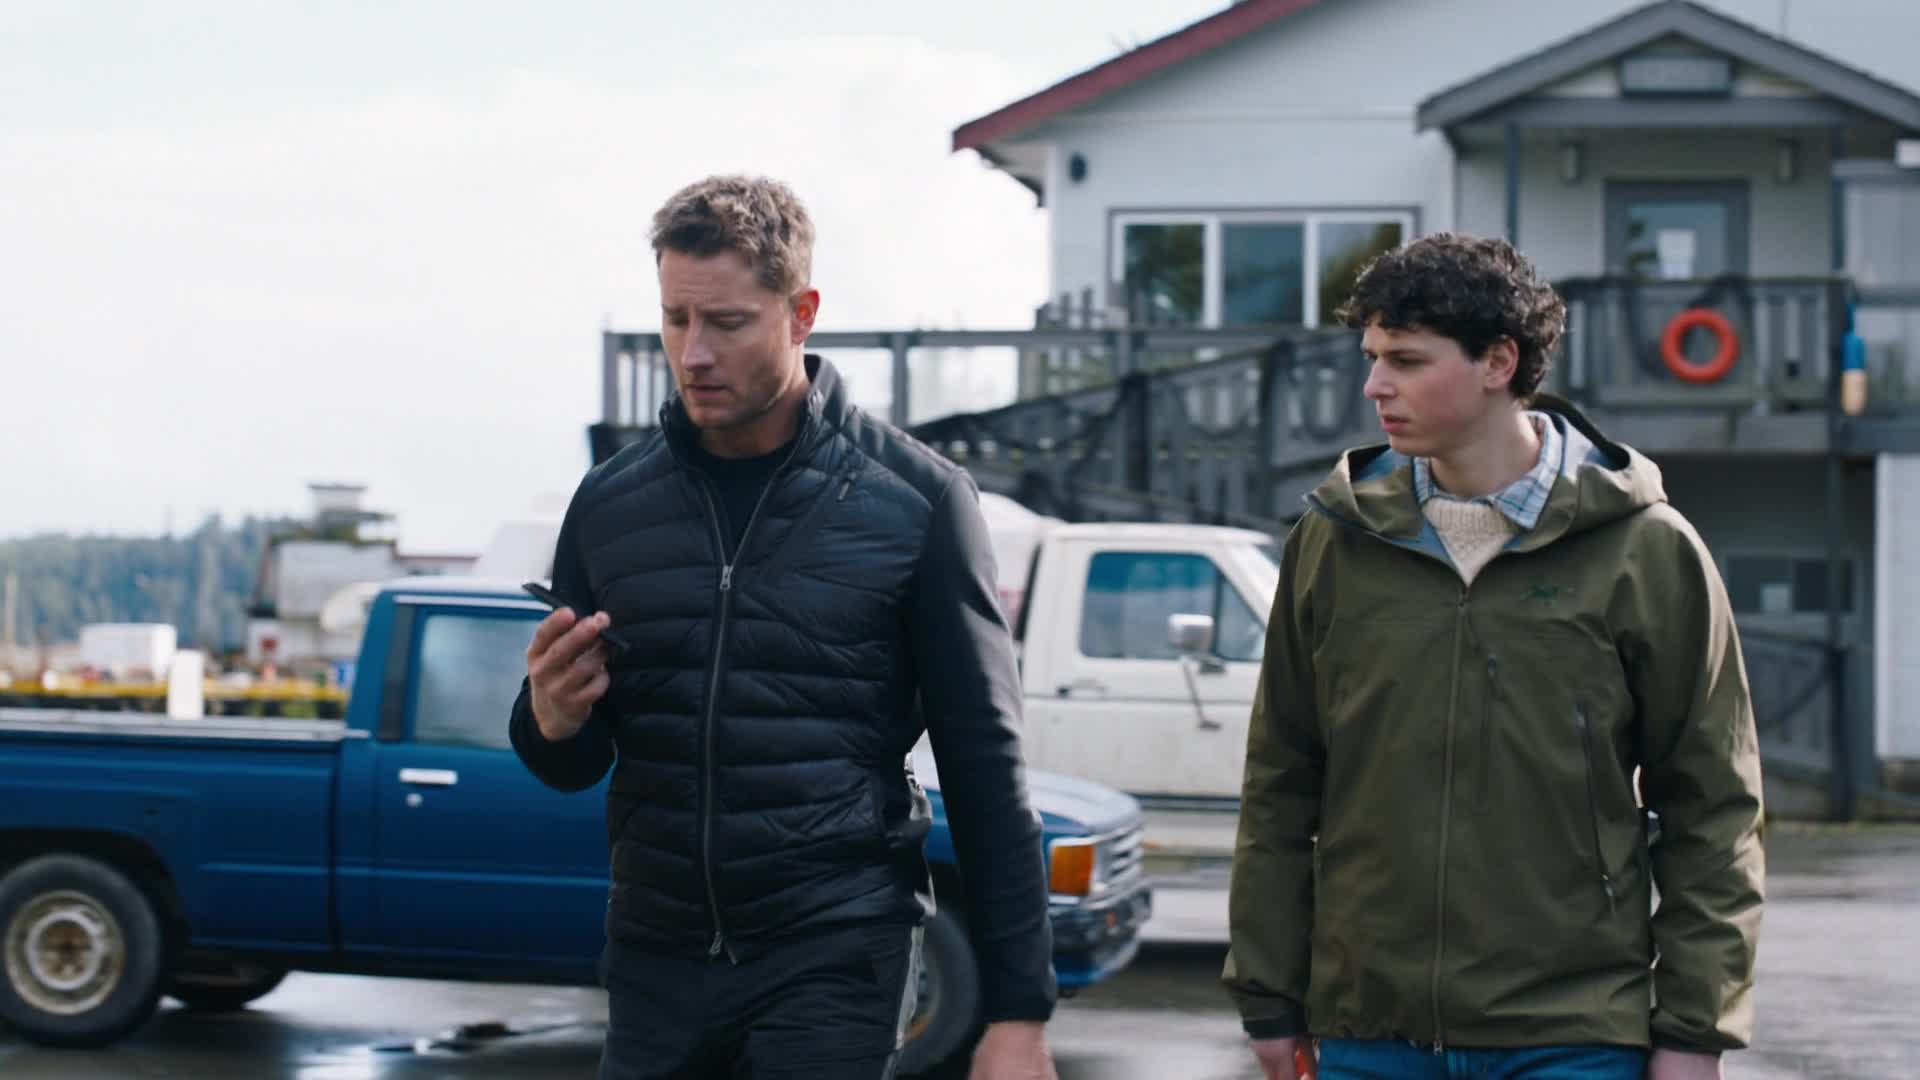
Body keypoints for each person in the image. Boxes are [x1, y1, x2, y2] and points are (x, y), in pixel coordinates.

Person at [509, 174, 1058, 1080]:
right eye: (675, 319)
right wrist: (549, 717)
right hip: (656, 956)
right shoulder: (609, 506)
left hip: (834, 952)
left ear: (801, 315)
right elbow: (569, 760)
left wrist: (1018, 1013)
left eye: (726, 323)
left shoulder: (918, 502)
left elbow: (985, 767)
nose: (693, 353)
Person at [1222, 233, 1766, 1080]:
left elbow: (1714, 807)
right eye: (1372, 357)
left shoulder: (1647, 550)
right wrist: (1268, 994)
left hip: (1575, 1037)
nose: (1375, 385)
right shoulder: (1333, 542)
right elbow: (1281, 781)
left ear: (1498, 362)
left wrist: (1694, 1031)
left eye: (1406, 360)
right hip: (1371, 1033)